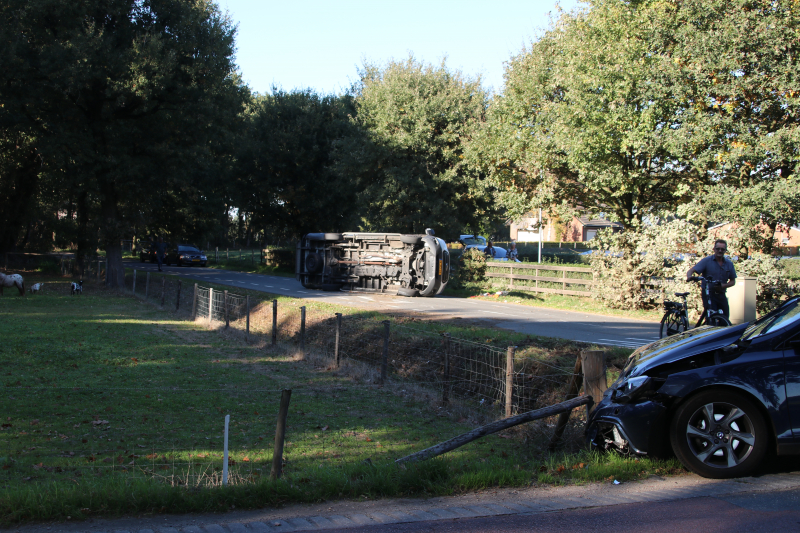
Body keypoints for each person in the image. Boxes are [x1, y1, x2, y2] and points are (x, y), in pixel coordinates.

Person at [686, 239, 737, 318]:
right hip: (709, 294)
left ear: (725, 250)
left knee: (725, 317)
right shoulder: (707, 261)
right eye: (718, 249)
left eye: (722, 249)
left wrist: (722, 286)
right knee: (711, 316)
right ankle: (709, 323)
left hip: (721, 294)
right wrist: (689, 276)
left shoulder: (729, 264)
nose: (720, 251)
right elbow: (691, 271)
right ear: (714, 249)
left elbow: (733, 281)